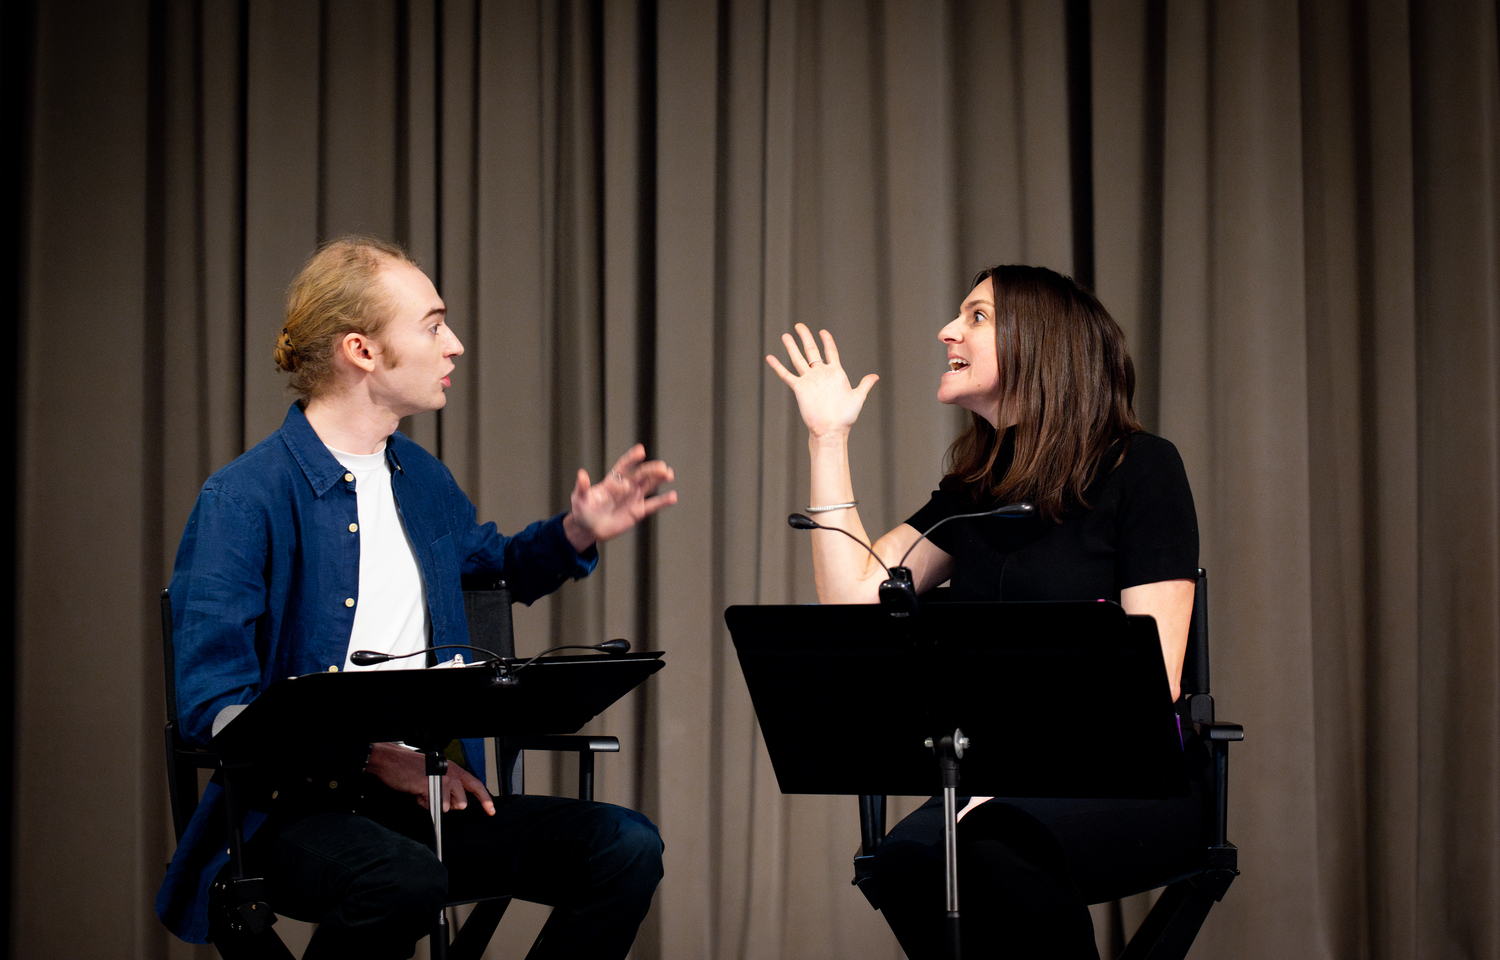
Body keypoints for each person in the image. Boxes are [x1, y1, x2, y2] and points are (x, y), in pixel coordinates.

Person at [156, 236, 676, 960]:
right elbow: (218, 712)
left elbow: (494, 569)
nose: (454, 345)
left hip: (423, 799)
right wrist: (370, 756)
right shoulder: (243, 500)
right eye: (432, 326)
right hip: (291, 815)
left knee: (622, 845)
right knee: (401, 881)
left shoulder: (421, 479)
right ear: (361, 350)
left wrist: (575, 531)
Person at [766, 265, 1205, 959]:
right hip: (995, 795)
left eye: (975, 316)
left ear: (1042, 343)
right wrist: (828, 440)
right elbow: (855, 597)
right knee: (907, 861)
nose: (947, 330)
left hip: (1133, 779)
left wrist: (1008, 789)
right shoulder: (973, 493)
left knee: (992, 849)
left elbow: (1153, 688)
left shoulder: (1142, 468)